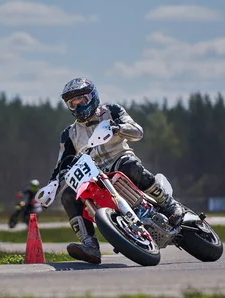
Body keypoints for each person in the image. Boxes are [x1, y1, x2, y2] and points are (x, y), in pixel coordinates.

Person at [47, 77, 184, 264]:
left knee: (130, 166)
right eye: (73, 103)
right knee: (68, 195)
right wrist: (52, 184)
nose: (78, 107)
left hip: (120, 159)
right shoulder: (69, 133)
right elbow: (61, 163)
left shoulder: (111, 110)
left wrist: (117, 128)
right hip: (94, 174)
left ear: (93, 97)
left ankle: (169, 204)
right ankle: (90, 245)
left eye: (82, 101)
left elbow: (138, 131)